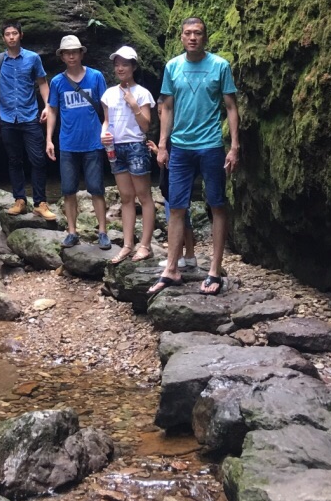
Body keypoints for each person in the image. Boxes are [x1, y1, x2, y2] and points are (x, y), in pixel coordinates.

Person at [149, 16, 239, 296]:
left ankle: (214, 271)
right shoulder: (172, 67)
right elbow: (166, 107)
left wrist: (234, 146)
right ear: (181, 37)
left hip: (211, 145)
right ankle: (172, 269)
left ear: (205, 37)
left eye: (198, 33)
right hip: (181, 147)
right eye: (188, 33)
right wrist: (163, 145)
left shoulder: (220, 66)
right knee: (176, 206)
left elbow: (231, 107)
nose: (193, 38)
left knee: (216, 204)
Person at [0, 22, 57, 220]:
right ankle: (19, 200)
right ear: (3, 38)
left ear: (21, 35)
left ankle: (40, 203)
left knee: (38, 159)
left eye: (14, 33)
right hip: (8, 117)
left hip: (30, 116)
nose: (11, 37)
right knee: (14, 160)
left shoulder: (33, 58)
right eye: (7, 34)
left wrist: (48, 106)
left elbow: (42, 83)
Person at [45, 35, 110, 249]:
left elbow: (106, 105)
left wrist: (107, 129)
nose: (71, 56)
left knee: (96, 188)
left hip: (93, 142)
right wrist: (49, 139)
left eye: (75, 52)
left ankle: (102, 231)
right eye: (67, 52)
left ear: (82, 53)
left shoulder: (96, 77)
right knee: (68, 190)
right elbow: (52, 110)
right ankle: (72, 232)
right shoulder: (57, 82)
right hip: (68, 143)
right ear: (62, 56)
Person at [100, 45, 156, 265]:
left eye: (125, 64)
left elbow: (145, 126)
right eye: (117, 64)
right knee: (125, 197)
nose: (120, 68)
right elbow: (107, 121)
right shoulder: (109, 94)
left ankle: (145, 245)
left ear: (133, 66)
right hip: (115, 147)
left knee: (144, 196)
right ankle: (127, 245)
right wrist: (103, 134)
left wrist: (134, 105)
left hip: (136, 146)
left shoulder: (142, 93)